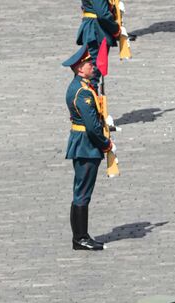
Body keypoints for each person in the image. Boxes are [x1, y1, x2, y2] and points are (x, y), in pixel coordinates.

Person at [63, 46, 114, 251]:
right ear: (79, 69)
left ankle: (81, 236)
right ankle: (80, 238)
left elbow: (95, 79)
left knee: (82, 191)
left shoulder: (82, 85)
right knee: (82, 193)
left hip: (83, 142)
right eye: (88, 64)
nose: (92, 66)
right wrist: (105, 143)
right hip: (86, 144)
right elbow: (92, 127)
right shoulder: (82, 93)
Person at [76, 0, 124, 76]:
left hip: (94, 27)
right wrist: (116, 29)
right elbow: (102, 14)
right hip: (96, 29)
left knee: (92, 69)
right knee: (92, 70)